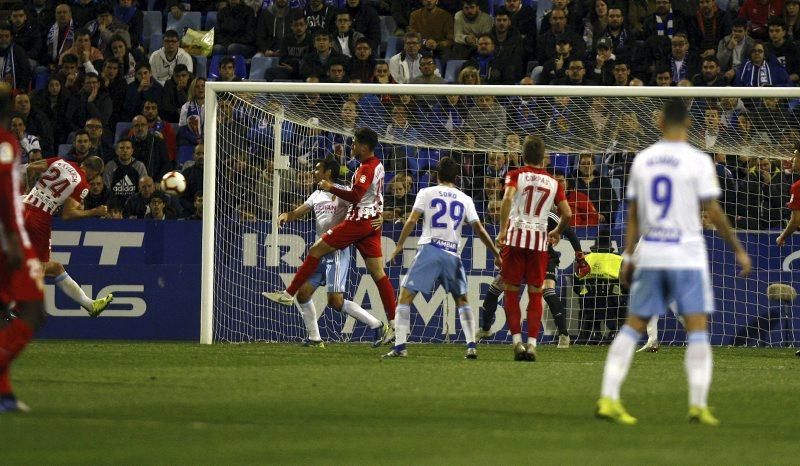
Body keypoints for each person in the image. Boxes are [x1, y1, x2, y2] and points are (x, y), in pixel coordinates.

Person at [596, 99, 751, 426]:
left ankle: (609, 398)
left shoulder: (644, 159)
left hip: (651, 251)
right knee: (697, 329)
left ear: (660, 123)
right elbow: (713, 210)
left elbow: (633, 214)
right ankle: (698, 405)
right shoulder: (698, 161)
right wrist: (737, 247)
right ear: (690, 124)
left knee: (632, 326)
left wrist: (627, 256)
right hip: (687, 254)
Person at [264, 128, 397, 343]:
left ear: (363, 146)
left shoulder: (365, 168)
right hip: (370, 223)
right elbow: (376, 195)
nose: (351, 146)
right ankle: (394, 326)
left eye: (354, 143)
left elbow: (355, 195)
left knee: (316, 250)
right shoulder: (378, 165)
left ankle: (288, 295)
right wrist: (379, 214)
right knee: (379, 274)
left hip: (359, 221)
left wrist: (331, 188)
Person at [384, 157, 501, 359]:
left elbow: (412, 220)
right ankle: (471, 346)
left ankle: (400, 346)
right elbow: (479, 229)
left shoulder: (426, 192)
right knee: (462, 300)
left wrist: (399, 245)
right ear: (456, 177)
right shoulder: (465, 198)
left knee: (405, 296)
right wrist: (496, 253)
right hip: (452, 254)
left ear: (436, 175)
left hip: (430, 248)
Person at [497, 136, 573, 361]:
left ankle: (517, 342)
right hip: (539, 243)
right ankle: (532, 344)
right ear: (544, 158)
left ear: (523, 155)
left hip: (515, 239)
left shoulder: (515, 175)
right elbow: (567, 213)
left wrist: (502, 230)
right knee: (535, 294)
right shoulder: (554, 183)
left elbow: (507, 199)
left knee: (511, 291)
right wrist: (557, 231)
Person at [478, 201, 591, 348]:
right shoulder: (517, 214)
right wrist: (500, 255)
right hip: (520, 257)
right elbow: (509, 238)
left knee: (548, 292)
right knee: (494, 289)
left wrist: (580, 256)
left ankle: (563, 334)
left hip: (543, 257)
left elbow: (569, 232)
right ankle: (485, 329)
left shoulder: (549, 216)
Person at [0, 84, 45, 412]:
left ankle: (3, 394)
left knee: (5, 312)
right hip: (6, 237)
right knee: (33, 308)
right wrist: (14, 237)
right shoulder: (5, 142)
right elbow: (4, 190)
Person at [23, 155, 113, 318]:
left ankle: (90, 305)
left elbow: (30, 167)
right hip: (39, 219)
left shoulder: (61, 162)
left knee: (54, 268)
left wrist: (29, 190)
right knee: (40, 268)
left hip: (24, 207)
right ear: (94, 172)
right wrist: (95, 212)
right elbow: (68, 214)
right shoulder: (82, 183)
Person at [776, 144, 800, 357]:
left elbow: (795, 221)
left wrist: (782, 237)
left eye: (795, 156)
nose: (792, 160)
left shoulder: (798, 186)